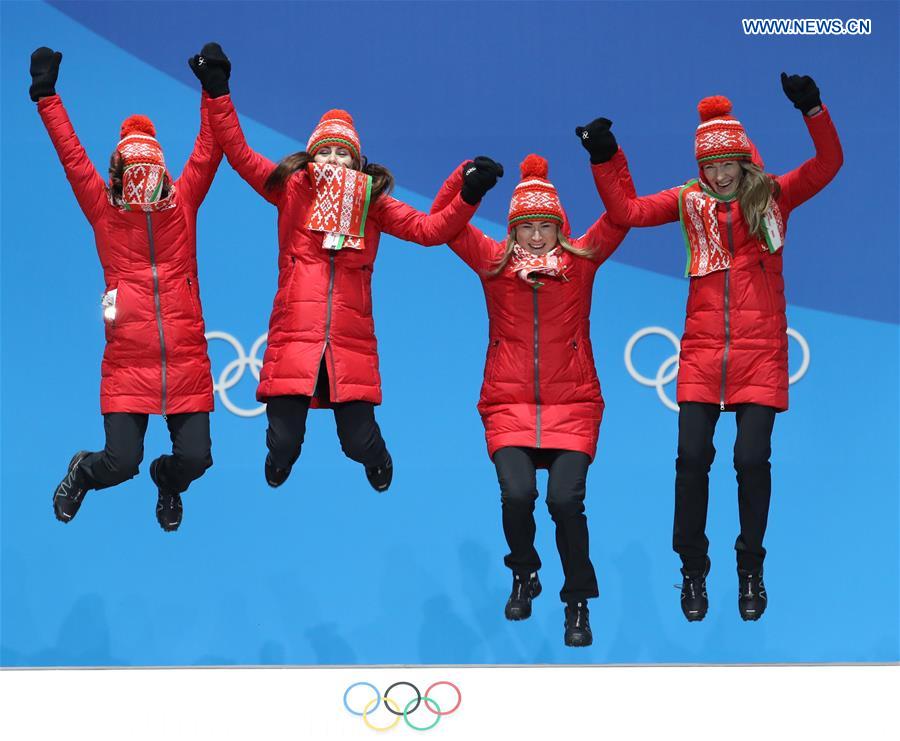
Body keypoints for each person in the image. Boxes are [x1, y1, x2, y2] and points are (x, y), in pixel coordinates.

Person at [582, 73, 843, 621]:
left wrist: (813, 109)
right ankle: (693, 572)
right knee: (692, 459)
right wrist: (607, 157)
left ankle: (750, 568)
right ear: (700, 167)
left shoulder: (774, 196)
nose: (719, 175)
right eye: (710, 166)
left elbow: (827, 165)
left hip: (761, 353)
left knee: (751, 460)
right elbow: (627, 211)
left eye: (728, 164)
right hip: (702, 353)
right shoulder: (688, 202)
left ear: (745, 161)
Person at [189, 44, 501, 493]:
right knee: (284, 442)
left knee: (357, 442)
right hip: (295, 336)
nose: (333, 160)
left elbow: (432, 230)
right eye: (325, 152)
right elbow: (237, 150)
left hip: (348, 343)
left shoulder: (372, 204)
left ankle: (377, 458)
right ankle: (280, 459)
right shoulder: (291, 190)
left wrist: (469, 191)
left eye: (343, 154)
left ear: (357, 163)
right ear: (311, 157)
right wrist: (217, 88)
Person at [429, 151, 635, 646]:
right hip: (508, 404)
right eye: (527, 226)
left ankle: (578, 603)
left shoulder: (582, 262)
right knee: (518, 495)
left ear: (560, 225)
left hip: (573, 405)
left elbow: (622, 214)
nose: (537, 235)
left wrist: (607, 157)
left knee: (566, 503)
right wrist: (464, 177)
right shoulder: (493, 263)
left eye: (546, 225)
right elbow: (441, 224)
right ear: (513, 230)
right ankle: (525, 572)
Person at [32, 46, 225, 531]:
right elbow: (72, 157)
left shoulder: (182, 207)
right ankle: (82, 472)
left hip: (185, 363)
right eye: (132, 174)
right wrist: (46, 96)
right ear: (118, 175)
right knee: (120, 463)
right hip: (128, 365)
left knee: (197, 459)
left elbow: (210, 147)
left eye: (150, 173)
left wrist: (215, 91)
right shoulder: (104, 213)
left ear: (162, 172)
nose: (143, 183)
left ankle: (168, 482)